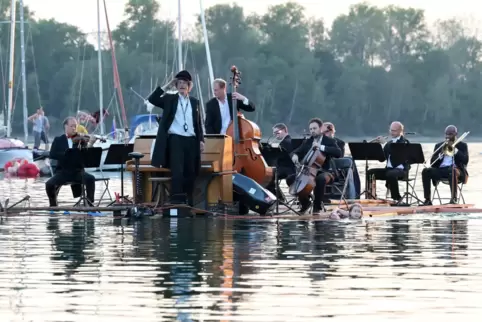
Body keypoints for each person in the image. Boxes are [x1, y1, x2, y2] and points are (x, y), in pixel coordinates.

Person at [144, 70, 205, 205]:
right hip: (176, 139)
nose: (182, 86)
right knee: (177, 172)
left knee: (191, 172)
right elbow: (152, 99)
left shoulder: (195, 102)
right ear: (176, 86)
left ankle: (189, 202)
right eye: (179, 83)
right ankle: (176, 202)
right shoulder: (169, 99)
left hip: (191, 140)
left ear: (189, 86)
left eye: (185, 83)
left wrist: (201, 140)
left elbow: (198, 123)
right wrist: (167, 86)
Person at [288, 118, 342, 215]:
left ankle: (317, 206)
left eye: (314, 128)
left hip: (326, 171)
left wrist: (321, 147)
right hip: (308, 171)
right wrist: (295, 155)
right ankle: (305, 203)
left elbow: (338, 153)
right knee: (291, 179)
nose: (312, 131)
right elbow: (297, 151)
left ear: (321, 128)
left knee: (320, 179)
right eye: (311, 129)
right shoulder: (308, 142)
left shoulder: (329, 141)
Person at [45, 117, 98, 207]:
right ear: (66, 126)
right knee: (49, 184)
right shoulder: (58, 139)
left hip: (77, 172)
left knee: (90, 179)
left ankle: (89, 203)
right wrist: (66, 154)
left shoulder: (80, 140)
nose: (74, 128)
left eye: (75, 126)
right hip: (63, 172)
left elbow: (86, 155)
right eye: (72, 126)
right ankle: (53, 205)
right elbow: (52, 154)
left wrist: (90, 144)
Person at [421, 125, 469, 205]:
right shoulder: (439, 146)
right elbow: (432, 163)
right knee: (426, 171)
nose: (448, 136)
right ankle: (427, 199)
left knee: (452, 171)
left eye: (450, 134)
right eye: (446, 134)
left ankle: (454, 199)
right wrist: (440, 156)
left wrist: (456, 151)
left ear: (455, 134)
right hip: (442, 170)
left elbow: (465, 160)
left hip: (456, 170)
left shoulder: (462, 146)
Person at [366, 121, 409, 202]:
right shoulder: (389, 143)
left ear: (400, 131)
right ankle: (371, 196)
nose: (391, 132)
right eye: (391, 130)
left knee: (391, 174)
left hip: (401, 170)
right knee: (370, 172)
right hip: (389, 170)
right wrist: (375, 147)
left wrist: (385, 143)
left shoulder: (404, 142)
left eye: (394, 131)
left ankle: (397, 198)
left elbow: (397, 156)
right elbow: (382, 159)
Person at [265, 123, 296, 198]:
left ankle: (279, 198)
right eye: (274, 133)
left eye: (277, 132)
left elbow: (288, 157)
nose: (276, 135)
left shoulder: (287, 142)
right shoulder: (284, 142)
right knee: (269, 175)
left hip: (288, 168)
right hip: (283, 167)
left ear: (285, 130)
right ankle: (280, 197)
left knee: (267, 177)